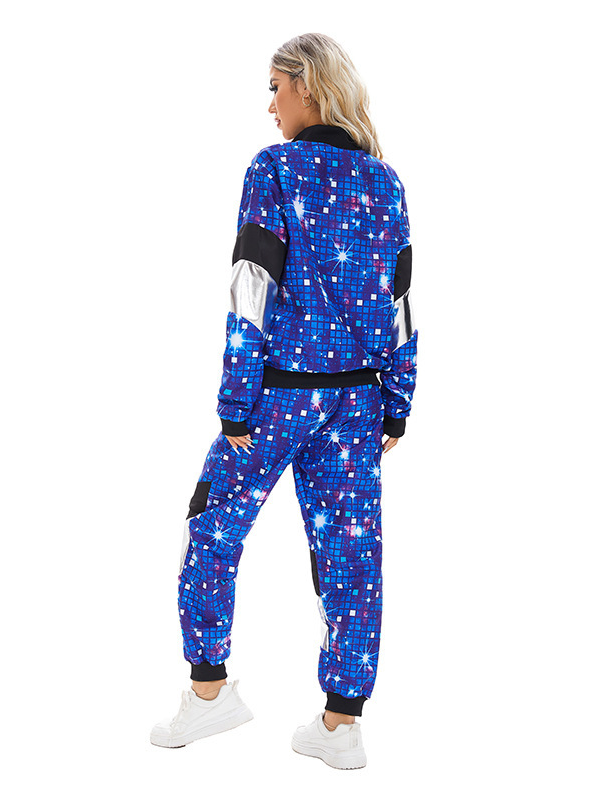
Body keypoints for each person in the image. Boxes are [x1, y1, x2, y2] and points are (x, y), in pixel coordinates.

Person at [150, 33, 418, 770]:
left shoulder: (274, 169)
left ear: (308, 85)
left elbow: (252, 287)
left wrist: (236, 402)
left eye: (276, 87)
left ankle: (209, 692)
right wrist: (398, 401)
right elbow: (400, 301)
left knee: (211, 526)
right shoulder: (386, 183)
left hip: (278, 398)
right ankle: (342, 725)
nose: (271, 106)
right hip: (358, 405)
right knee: (352, 556)